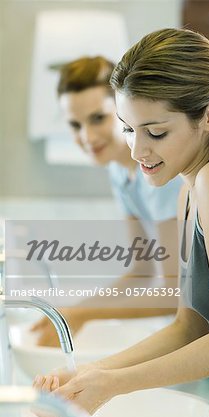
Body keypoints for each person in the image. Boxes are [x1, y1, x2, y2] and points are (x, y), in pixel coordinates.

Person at [33, 28, 209, 417]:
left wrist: (114, 384)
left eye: (155, 133)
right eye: (128, 129)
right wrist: (91, 375)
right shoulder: (190, 188)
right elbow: (188, 325)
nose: (138, 150)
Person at [32, 56, 182, 347]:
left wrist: (80, 315)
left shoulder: (161, 172)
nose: (87, 136)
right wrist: (66, 313)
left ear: (125, 111)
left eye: (98, 118)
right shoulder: (119, 170)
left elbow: (176, 293)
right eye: (75, 125)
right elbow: (142, 271)